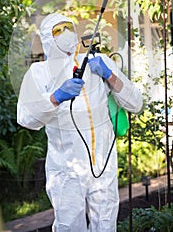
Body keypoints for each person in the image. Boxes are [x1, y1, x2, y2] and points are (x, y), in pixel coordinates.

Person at [17, 13, 143, 232]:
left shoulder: (98, 61)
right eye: (58, 30)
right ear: (48, 37)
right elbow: (26, 118)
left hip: (103, 165)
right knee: (69, 227)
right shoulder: (39, 73)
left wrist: (110, 76)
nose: (65, 34)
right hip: (67, 171)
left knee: (106, 225)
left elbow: (135, 103)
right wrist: (55, 97)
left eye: (68, 27)